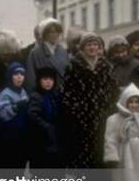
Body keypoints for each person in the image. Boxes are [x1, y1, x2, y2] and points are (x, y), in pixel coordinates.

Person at [62, 32, 119, 169]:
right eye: (89, 44)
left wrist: (109, 109)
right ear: (82, 47)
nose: (92, 48)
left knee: (101, 151)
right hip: (82, 119)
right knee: (83, 155)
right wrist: (78, 111)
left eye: (95, 45)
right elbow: (67, 93)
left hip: (103, 117)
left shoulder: (105, 66)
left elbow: (113, 90)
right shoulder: (73, 66)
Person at [0, 61, 29, 170]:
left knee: (20, 163)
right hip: (8, 135)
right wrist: (15, 107)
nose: (19, 77)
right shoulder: (5, 93)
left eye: (22, 74)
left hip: (21, 135)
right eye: (16, 74)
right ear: (10, 76)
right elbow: (0, 113)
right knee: (8, 162)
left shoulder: (23, 91)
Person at [27, 67, 64, 168]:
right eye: (45, 79)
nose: (48, 82)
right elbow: (32, 115)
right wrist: (47, 127)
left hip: (54, 139)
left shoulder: (54, 95)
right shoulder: (36, 96)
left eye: (51, 79)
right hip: (41, 140)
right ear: (39, 80)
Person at [25, 17, 70, 93]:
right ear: (44, 34)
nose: (55, 35)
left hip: (62, 93)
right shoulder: (35, 53)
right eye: (51, 32)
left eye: (57, 32)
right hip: (44, 94)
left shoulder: (63, 51)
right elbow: (31, 78)